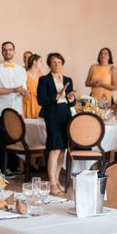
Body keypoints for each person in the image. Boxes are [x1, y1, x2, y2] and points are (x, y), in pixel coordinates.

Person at [37, 53, 76, 195]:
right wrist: (56, 96)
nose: (57, 65)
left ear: (62, 64)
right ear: (49, 64)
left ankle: (57, 179)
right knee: (54, 148)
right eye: (54, 62)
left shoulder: (68, 80)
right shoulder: (44, 80)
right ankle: (51, 182)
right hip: (52, 115)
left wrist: (71, 98)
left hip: (65, 114)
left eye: (59, 62)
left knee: (62, 150)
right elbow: (41, 100)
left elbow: (72, 102)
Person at [0, 41, 28, 176]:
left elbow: (23, 88)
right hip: (0, 110)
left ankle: (13, 167)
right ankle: (2, 170)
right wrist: (13, 90)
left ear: (14, 51)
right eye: (5, 50)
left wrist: (24, 92)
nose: (8, 52)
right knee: (2, 140)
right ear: (2, 52)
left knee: (15, 139)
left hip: (16, 110)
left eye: (10, 49)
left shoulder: (21, 70)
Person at [23, 54, 43, 119]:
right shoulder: (24, 75)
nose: (42, 64)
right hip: (28, 107)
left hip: (39, 107)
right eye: (40, 61)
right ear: (34, 62)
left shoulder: (42, 75)